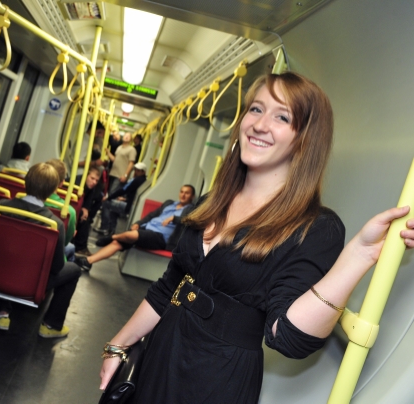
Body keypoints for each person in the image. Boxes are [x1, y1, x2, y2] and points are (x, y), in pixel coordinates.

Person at [98, 72, 414, 403]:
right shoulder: (212, 200)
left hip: (217, 380)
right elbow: (168, 289)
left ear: (305, 139)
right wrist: (118, 345)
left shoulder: (315, 227)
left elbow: (289, 337)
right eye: (256, 110)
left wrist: (359, 254)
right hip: (160, 354)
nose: (260, 125)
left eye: (282, 116)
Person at [0, 163, 82, 338]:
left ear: (26, 181)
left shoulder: (2, 206)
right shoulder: (54, 224)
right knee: (74, 269)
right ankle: (51, 325)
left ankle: (2, 312)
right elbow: (57, 267)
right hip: (31, 280)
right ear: (52, 191)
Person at [75, 185, 195, 271]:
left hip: (160, 238)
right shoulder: (170, 203)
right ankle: (88, 261)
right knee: (118, 243)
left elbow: (189, 220)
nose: (183, 195)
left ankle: (110, 236)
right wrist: (138, 222)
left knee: (131, 234)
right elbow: (151, 215)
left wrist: (174, 218)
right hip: (146, 230)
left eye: (187, 193)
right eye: (182, 191)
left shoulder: (191, 209)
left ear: (192, 196)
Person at [95, 162, 148, 236]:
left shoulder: (136, 180)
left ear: (143, 172)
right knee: (114, 208)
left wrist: (108, 197)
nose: (136, 172)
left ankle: (105, 227)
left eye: (138, 170)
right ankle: (111, 231)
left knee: (106, 203)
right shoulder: (144, 180)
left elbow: (123, 190)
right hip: (131, 204)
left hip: (129, 207)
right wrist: (124, 199)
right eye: (136, 170)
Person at [71, 166, 103, 256]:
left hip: (77, 206)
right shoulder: (76, 182)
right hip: (70, 205)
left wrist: (85, 208)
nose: (94, 182)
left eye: (96, 180)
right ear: (86, 175)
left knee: (86, 218)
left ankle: (80, 246)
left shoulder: (90, 187)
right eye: (92, 178)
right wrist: (81, 209)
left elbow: (88, 198)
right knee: (84, 219)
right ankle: (80, 247)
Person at [46, 159, 77, 247]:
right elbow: (65, 242)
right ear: (61, 183)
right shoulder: (69, 211)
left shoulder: (21, 198)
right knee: (71, 247)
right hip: (52, 252)